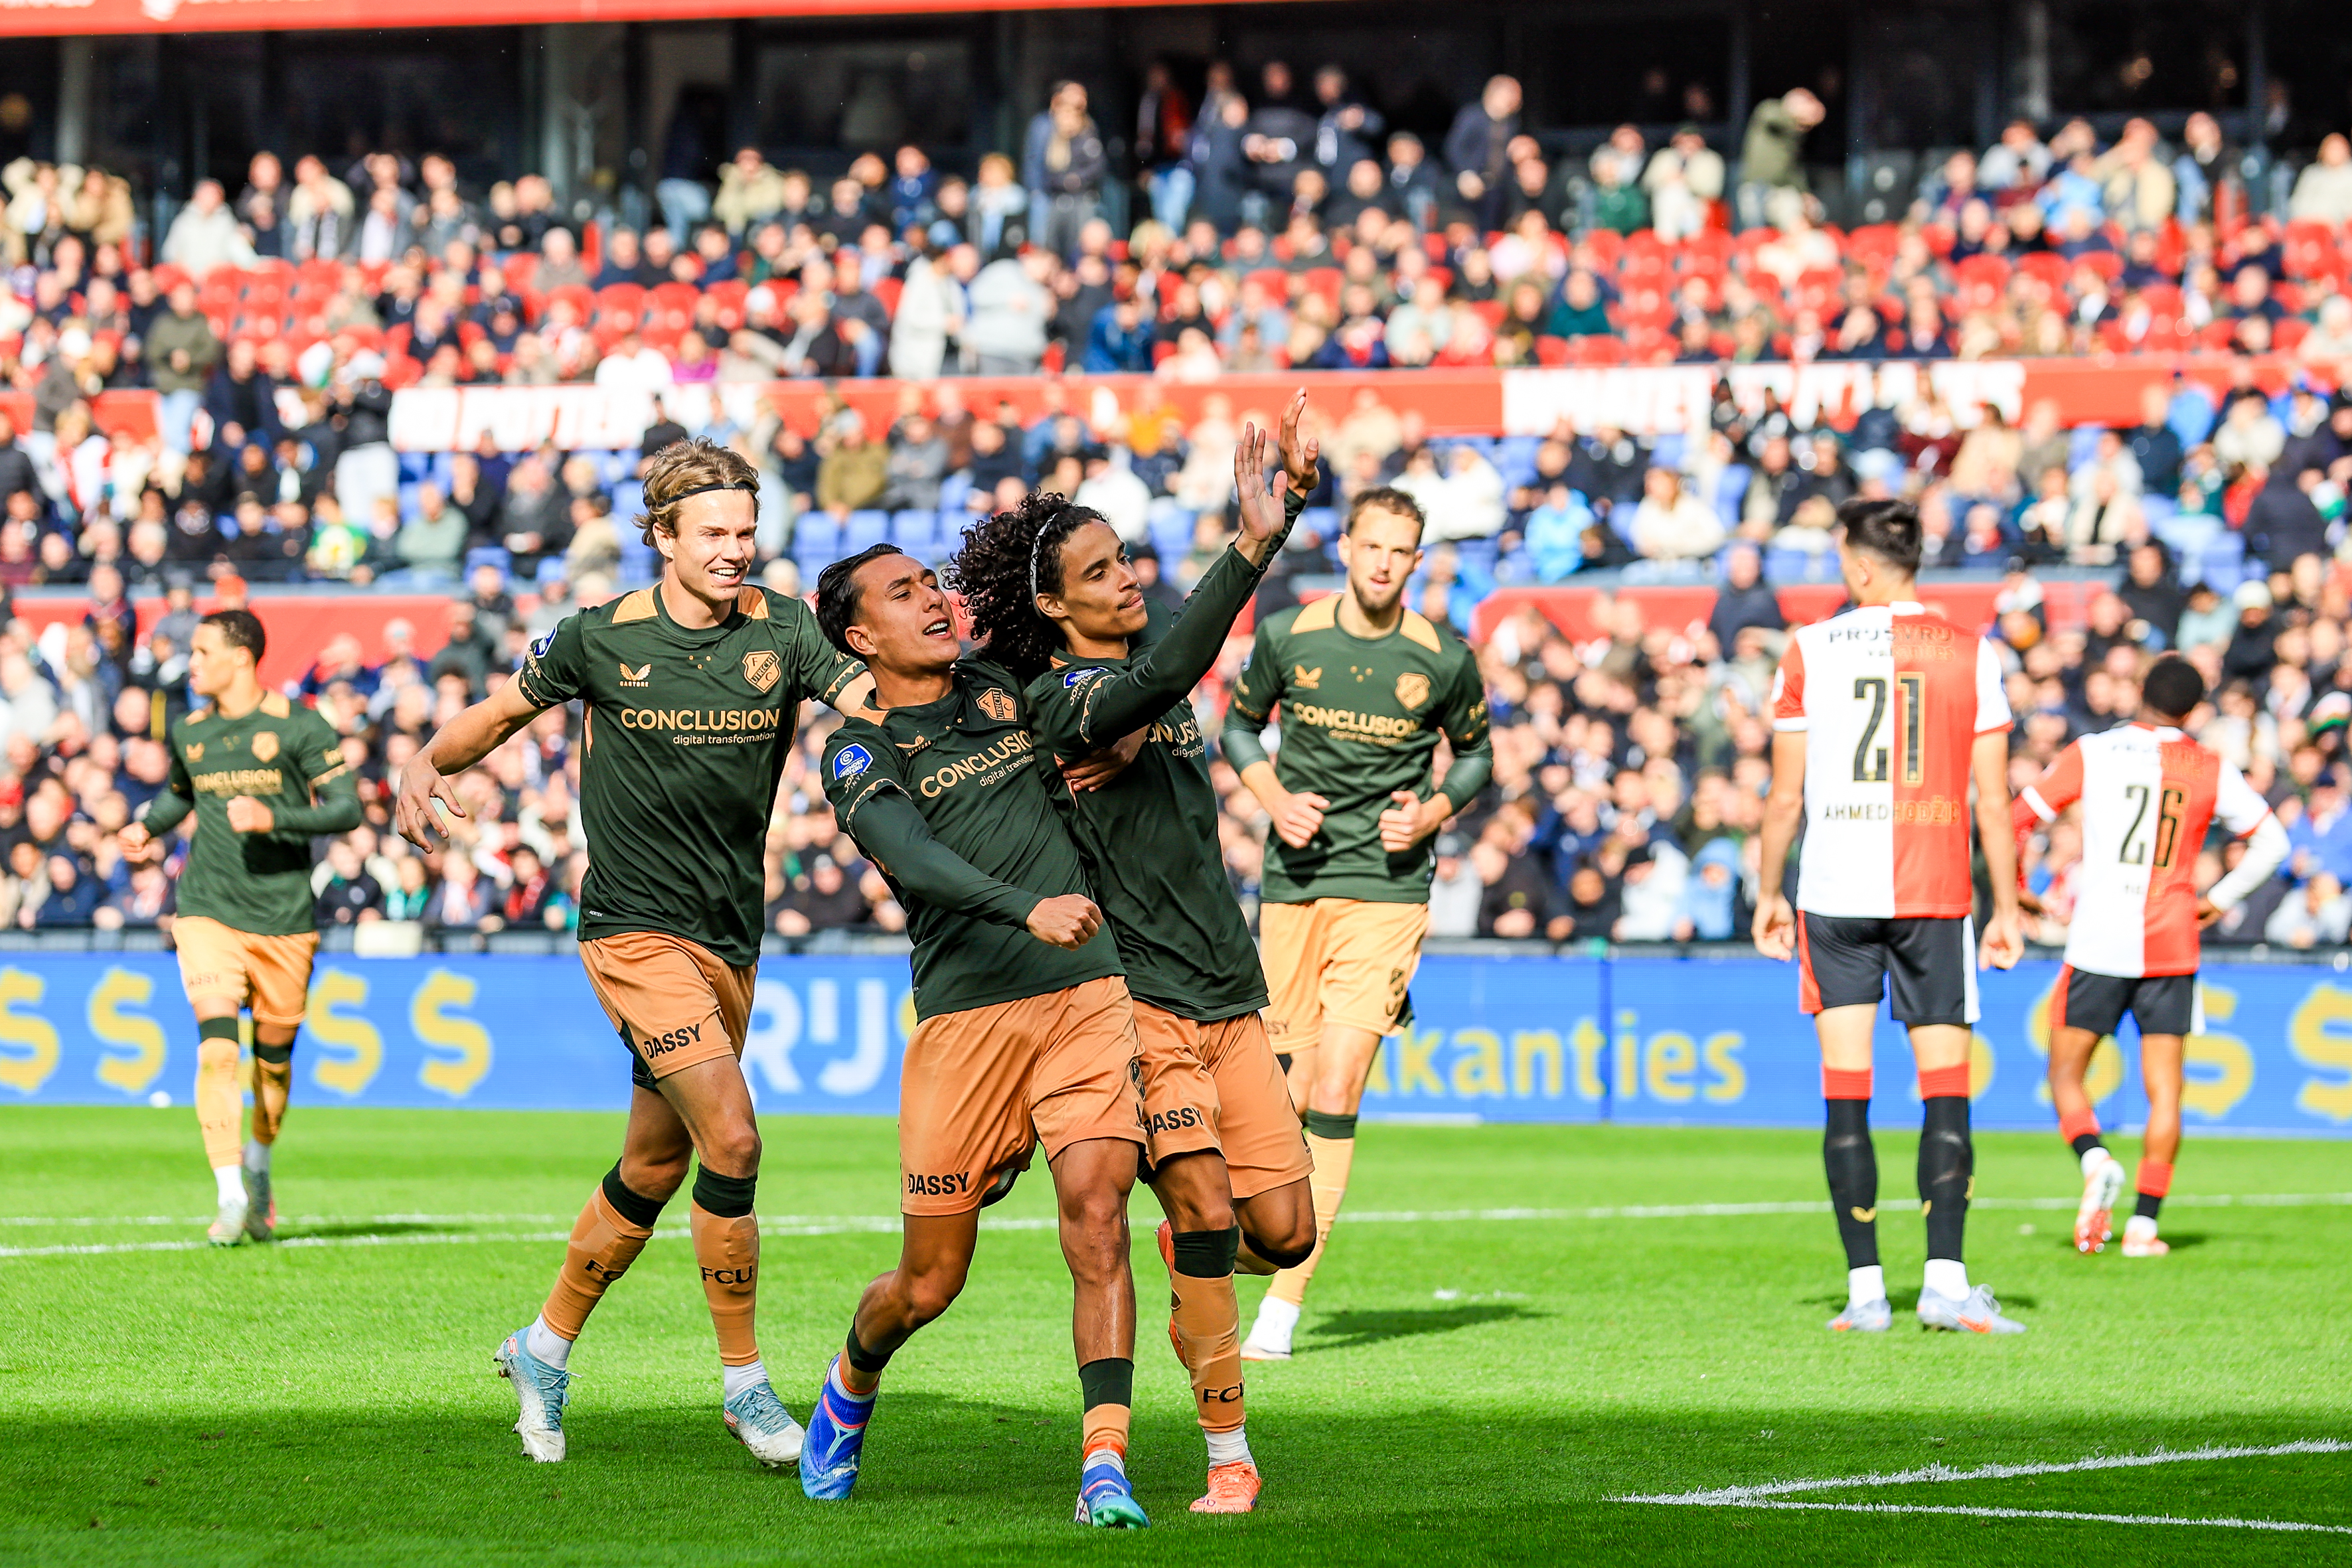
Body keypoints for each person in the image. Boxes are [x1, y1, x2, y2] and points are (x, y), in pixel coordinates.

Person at [394, 439, 875, 1471]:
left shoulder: (786, 629)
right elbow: (499, 714)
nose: (736, 550)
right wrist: (424, 759)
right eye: (714, 533)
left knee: (655, 1163)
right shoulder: (598, 637)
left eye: (747, 531)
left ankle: (542, 1347)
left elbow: (874, 702)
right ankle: (745, 1384)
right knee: (733, 1139)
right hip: (630, 928)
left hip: (727, 935)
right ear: (661, 537)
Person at [948, 396, 1322, 1514]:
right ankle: (1225, 1455)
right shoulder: (1050, 702)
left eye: (1126, 558)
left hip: (1228, 991)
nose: (1127, 576)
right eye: (1100, 569)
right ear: (1051, 604)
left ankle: (1193, 1278)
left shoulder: (1145, 672)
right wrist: (1252, 544)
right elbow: (1154, 683)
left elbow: (1166, 672)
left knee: (1285, 1230)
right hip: (1139, 1003)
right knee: (1203, 1211)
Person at [801, 545, 1153, 1528]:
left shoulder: (1002, 682)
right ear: (860, 637)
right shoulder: (856, 748)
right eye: (903, 594)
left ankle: (1103, 1466)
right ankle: (850, 1379)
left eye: (932, 583)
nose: (933, 600)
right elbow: (909, 857)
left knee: (1097, 1212)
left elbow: (1122, 648)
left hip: (1084, 991)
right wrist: (1021, 905)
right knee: (928, 1281)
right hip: (965, 1020)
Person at [1223, 485, 1493, 1362]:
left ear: (1417, 562)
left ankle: (1283, 1303)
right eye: (1370, 545)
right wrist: (1269, 794)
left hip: (1385, 888)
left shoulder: (1442, 658)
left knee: (1336, 1088)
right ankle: (1247, 1243)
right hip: (1291, 885)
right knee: (1283, 1093)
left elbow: (1478, 755)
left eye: (1399, 551)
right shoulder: (1287, 635)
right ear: (1345, 547)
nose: (1382, 562)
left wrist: (1427, 815)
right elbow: (1235, 726)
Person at [1753, 497, 2027, 1335]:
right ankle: (1944, 1283)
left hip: (1834, 894)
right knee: (1945, 1092)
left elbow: (1783, 796)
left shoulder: (1809, 650)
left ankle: (1866, 1293)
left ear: (1861, 565)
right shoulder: (1971, 653)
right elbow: (1992, 799)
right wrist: (2009, 907)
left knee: (1848, 1096)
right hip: (1934, 892)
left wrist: (1767, 892)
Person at [2010, 656, 2288, 1259]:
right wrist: (2217, 899)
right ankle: (2143, 1227)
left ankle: (2093, 1157)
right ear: (2192, 711)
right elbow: (2273, 841)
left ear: (2138, 692)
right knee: (2165, 1092)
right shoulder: (2208, 767)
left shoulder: (2093, 752)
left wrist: (2015, 890)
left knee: (2064, 1073)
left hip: (2099, 939)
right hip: (2169, 941)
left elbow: (2020, 817)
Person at [117, 609, 360, 1245]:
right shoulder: (191, 730)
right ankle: (229, 1198)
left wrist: (275, 818)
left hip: (283, 922)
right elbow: (179, 793)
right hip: (206, 912)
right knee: (219, 1049)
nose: (191, 664)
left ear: (241, 657)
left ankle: (257, 1166)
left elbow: (347, 807)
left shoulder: (298, 725)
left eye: (201, 653)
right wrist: (147, 826)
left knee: (272, 1069)